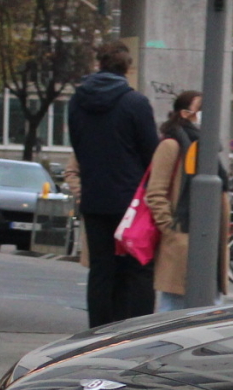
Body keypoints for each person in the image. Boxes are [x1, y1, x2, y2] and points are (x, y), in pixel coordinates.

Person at [65, 41, 160, 327]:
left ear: (100, 65)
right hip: (131, 203)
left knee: (101, 269)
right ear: (127, 69)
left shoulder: (76, 101)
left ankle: (98, 331)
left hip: (94, 197)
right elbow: (151, 154)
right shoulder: (135, 103)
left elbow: (78, 146)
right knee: (138, 267)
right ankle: (135, 330)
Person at [143, 90, 202, 313]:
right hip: (181, 236)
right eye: (200, 110)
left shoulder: (205, 146)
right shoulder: (172, 145)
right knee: (173, 309)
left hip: (205, 238)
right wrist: (170, 229)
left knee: (208, 308)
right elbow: (155, 192)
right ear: (185, 113)